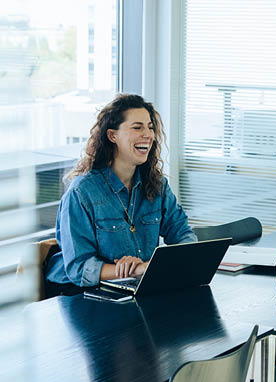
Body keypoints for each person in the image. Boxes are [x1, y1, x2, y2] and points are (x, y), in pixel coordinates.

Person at [45, 93, 196, 297]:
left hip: (133, 289)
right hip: (81, 294)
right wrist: (137, 269)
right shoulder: (81, 192)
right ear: (112, 136)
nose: (148, 135)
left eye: (150, 127)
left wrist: (148, 266)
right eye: (137, 127)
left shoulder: (157, 185)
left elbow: (184, 235)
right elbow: (79, 268)